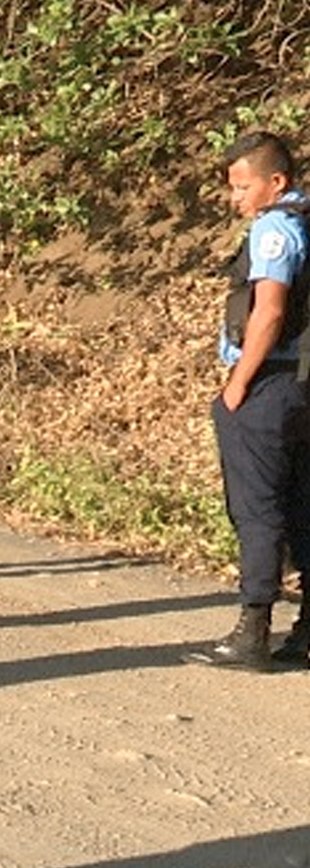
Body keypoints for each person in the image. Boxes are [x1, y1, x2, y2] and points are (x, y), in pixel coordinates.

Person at [186, 130, 310, 673]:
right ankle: (305, 632)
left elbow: (270, 310)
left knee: (256, 506)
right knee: (304, 504)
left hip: (271, 385)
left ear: (275, 182)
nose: (235, 198)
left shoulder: (275, 229)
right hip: (304, 385)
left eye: (242, 186)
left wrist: (238, 383)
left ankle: (252, 631)